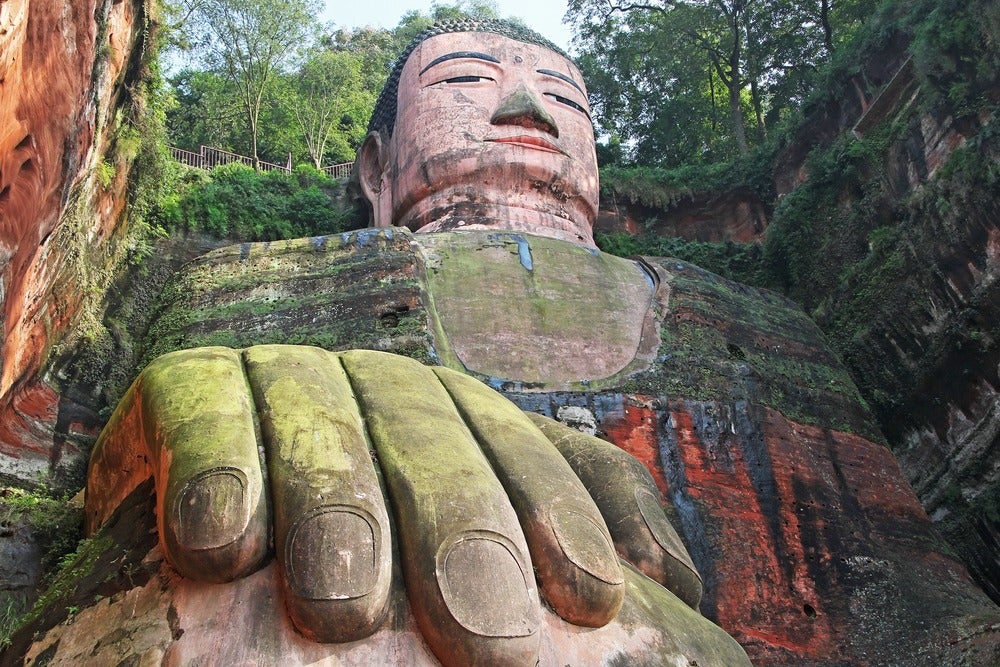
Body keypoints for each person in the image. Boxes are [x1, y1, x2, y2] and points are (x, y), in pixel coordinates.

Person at [78, 19, 750, 667]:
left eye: (564, 96)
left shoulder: (735, 320)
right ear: (377, 167)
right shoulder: (263, 281)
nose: (527, 108)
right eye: (465, 80)